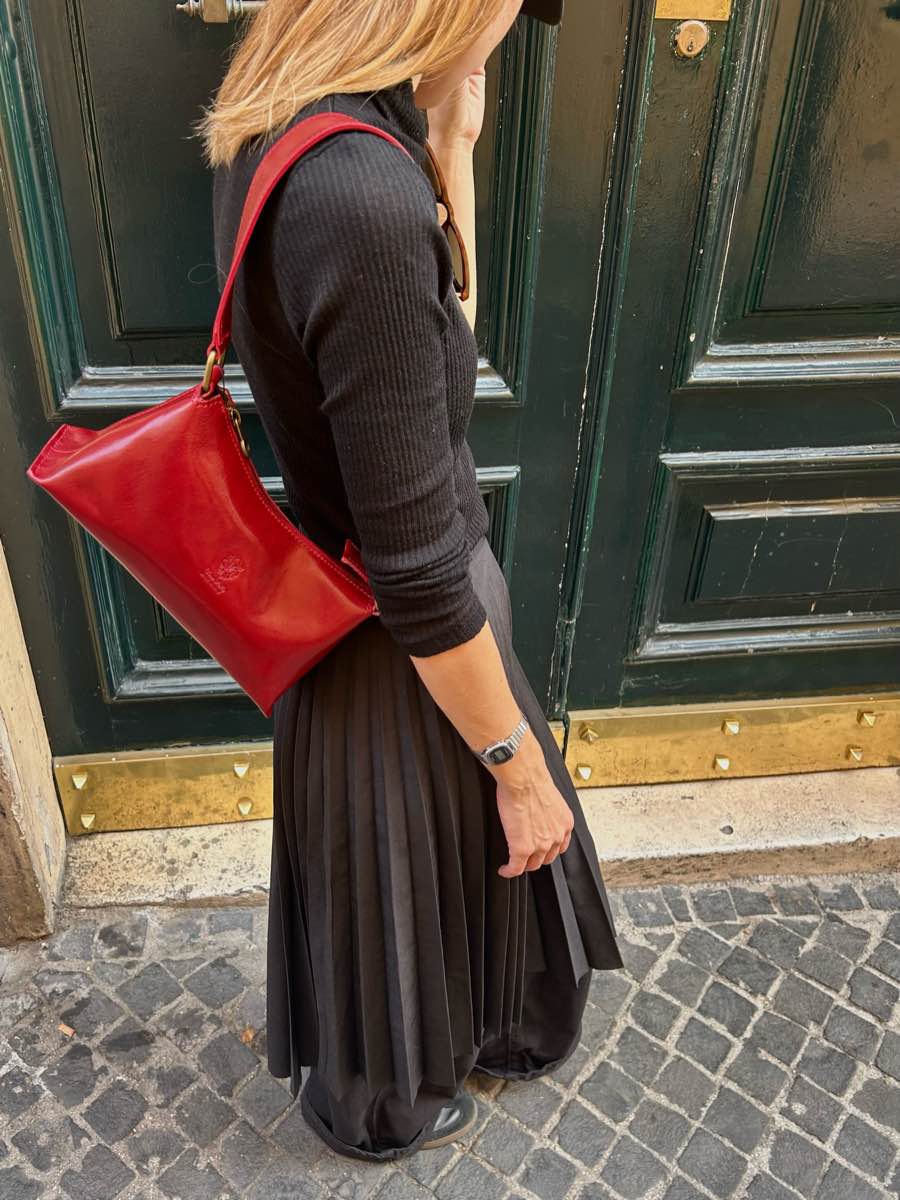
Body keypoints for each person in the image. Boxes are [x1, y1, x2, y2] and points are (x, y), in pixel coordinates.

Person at [198, 0, 624, 1162]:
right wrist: (518, 767)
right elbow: (421, 574)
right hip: (409, 641)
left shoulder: (283, 116)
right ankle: (399, 1094)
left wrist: (453, 147)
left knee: (405, 884)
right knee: (493, 828)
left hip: (372, 626)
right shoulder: (359, 198)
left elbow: (439, 340)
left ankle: (440, 1048)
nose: (512, 28)